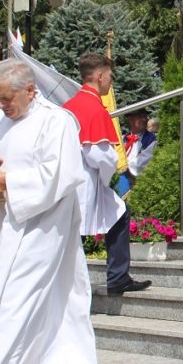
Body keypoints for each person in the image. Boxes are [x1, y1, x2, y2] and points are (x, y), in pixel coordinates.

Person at [0, 58, 97, 364]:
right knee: (10, 307)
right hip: (6, 232)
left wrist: (8, 181)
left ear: (30, 89)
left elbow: (61, 175)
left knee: (18, 306)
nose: (3, 106)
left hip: (43, 233)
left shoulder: (56, 122)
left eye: (8, 99)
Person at [63, 53, 151, 295]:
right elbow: (100, 155)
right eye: (110, 76)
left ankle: (117, 277)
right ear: (99, 75)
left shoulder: (67, 107)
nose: (111, 81)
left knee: (116, 214)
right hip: (86, 181)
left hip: (69, 180)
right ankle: (108, 279)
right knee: (78, 233)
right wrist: (108, 175)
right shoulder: (94, 107)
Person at [114, 110, 157, 198]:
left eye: (145, 116)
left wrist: (120, 164)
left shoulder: (152, 141)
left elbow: (138, 165)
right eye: (140, 116)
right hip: (118, 186)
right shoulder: (122, 140)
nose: (145, 119)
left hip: (138, 189)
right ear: (130, 119)